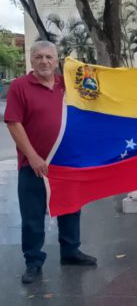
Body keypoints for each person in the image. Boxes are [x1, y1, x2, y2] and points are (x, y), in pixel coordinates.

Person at [4, 41, 97, 284]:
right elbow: (14, 123)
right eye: (39, 57)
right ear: (31, 60)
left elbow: (99, 95)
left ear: (57, 61)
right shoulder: (19, 86)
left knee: (70, 208)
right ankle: (33, 262)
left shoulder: (69, 85)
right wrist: (33, 156)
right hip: (33, 165)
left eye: (49, 57)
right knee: (33, 216)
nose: (44, 61)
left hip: (67, 162)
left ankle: (70, 252)